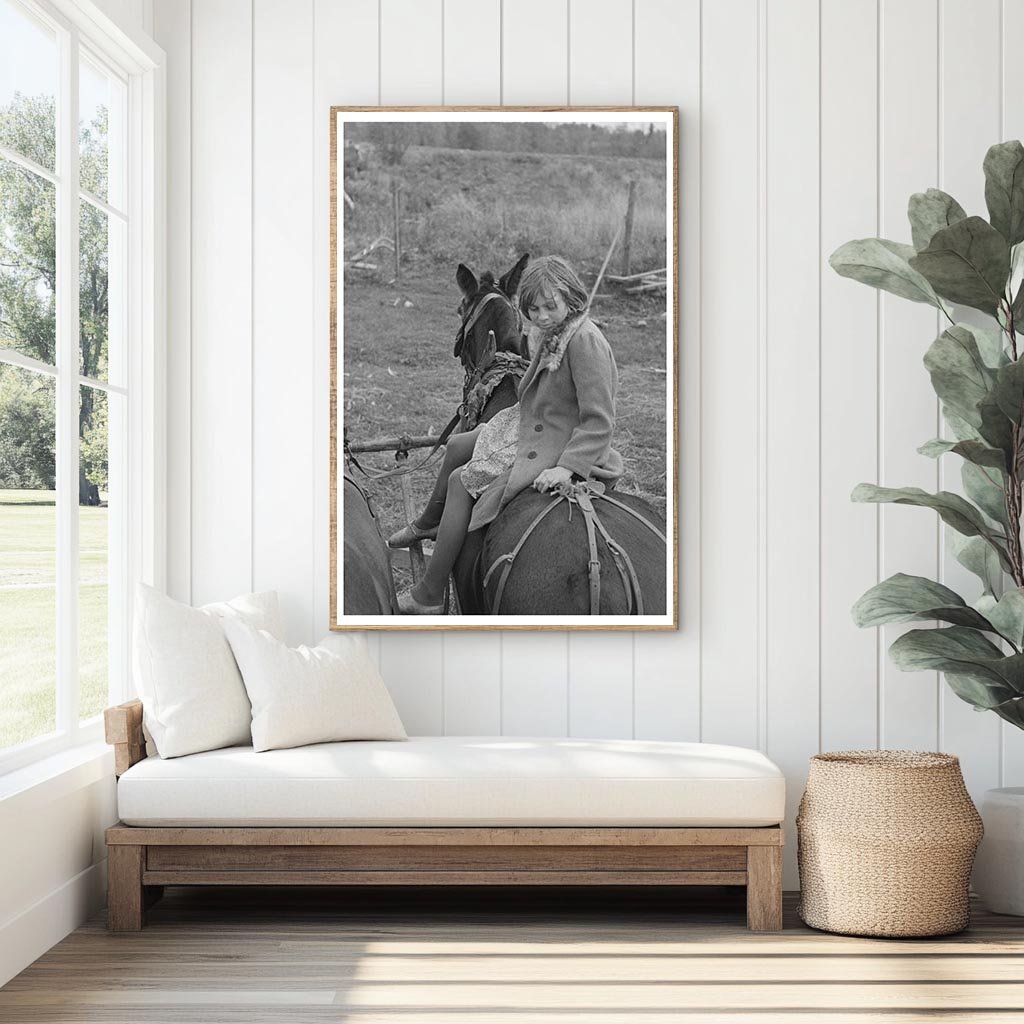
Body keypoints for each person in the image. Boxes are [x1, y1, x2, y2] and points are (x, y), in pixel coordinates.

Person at [395, 254, 624, 614]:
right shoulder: (557, 330)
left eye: (550, 306)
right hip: (532, 422)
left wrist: (566, 468)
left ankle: (429, 593)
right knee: (457, 444)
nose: (541, 316)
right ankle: (428, 522)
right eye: (533, 309)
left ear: (571, 297)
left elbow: (599, 421)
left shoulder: (585, 342)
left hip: (559, 440)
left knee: (460, 481)